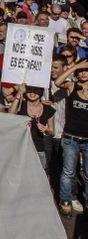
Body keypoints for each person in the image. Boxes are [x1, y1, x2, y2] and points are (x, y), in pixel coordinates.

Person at [54, 58, 88, 216]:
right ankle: (65, 201)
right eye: (81, 71)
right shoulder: (72, 86)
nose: (83, 73)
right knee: (68, 172)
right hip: (71, 138)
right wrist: (76, 65)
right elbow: (58, 81)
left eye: (86, 70)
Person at [9, 83, 55, 174]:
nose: (32, 93)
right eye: (29, 89)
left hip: (39, 149)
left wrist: (45, 129)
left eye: (36, 90)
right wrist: (19, 93)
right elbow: (10, 115)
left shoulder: (48, 109)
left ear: (41, 91)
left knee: (39, 176)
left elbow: (52, 132)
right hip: (21, 148)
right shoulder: (21, 105)